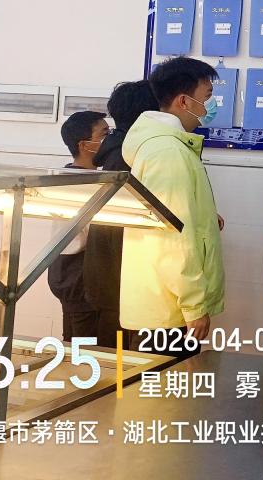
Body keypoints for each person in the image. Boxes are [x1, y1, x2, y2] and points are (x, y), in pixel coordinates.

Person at [120, 57, 225, 354]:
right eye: (207, 96)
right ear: (184, 101)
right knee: (166, 383)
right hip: (168, 312)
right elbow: (171, 236)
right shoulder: (167, 151)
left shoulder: (170, 146)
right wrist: (194, 306)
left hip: (164, 305)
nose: (211, 105)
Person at [84, 80, 159, 347]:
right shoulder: (127, 157)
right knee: (122, 362)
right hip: (120, 284)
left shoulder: (119, 152)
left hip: (113, 281)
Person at [49, 110, 108, 341]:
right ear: (84, 145)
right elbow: (82, 238)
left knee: (73, 341)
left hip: (67, 272)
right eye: (104, 134)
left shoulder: (68, 177)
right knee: (85, 347)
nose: (110, 140)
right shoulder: (81, 184)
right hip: (77, 274)